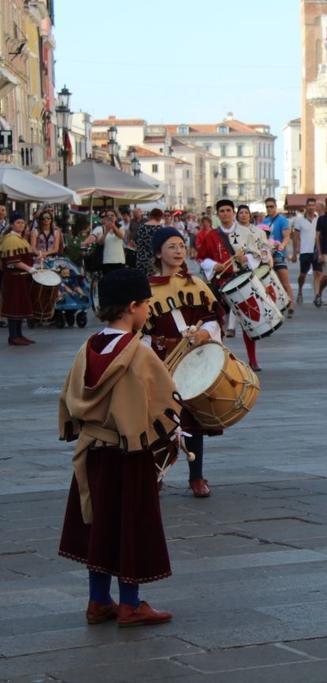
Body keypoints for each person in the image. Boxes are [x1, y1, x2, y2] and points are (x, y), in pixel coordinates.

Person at [57, 267, 177, 627]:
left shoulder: (88, 345)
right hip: (130, 452)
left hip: (92, 451)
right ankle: (130, 603)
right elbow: (163, 403)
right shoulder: (137, 353)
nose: (148, 313)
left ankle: (97, 601)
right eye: (146, 305)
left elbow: (68, 395)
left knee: (99, 523)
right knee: (131, 523)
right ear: (132, 305)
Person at [143, 228, 225, 498]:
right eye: (171, 246)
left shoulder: (196, 284)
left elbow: (213, 317)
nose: (178, 251)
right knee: (157, 420)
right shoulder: (145, 289)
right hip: (161, 361)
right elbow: (140, 330)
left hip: (193, 360)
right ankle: (155, 474)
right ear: (158, 253)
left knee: (193, 420)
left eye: (181, 245)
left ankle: (196, 476)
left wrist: (203, 333)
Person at [195, 199, 266, 370]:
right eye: (222, 211)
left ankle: (253, 359)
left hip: (241, 280)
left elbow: (257, 255)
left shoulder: (244, 232)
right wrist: (213, 265)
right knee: (218, 321)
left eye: (228, 210)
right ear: (217, 214)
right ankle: (218, 358)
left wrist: (246, 259)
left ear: (233, 213)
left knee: (247, 321)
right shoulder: (211, 235)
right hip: (219, 282)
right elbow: (201, 257)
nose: (225, 213)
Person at [1, 215, 36, 345]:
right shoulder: (11, 239)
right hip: (13, 278)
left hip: (21, 278)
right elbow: (13, 261)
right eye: (18, 222)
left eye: (23, 222)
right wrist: (29, 269)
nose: (21, 225)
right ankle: (13, 336)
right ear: (12, 224)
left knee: (20, 306)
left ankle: (19, 334)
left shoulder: (20, 238)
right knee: (14, 306)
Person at [262, 197, 294, 319]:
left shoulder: (282, 220)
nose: (269, 209)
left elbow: (286, 236)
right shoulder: (264, 221)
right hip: (266, 256)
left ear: (276, 206)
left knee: (284, 281)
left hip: (278, 255)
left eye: (271, 206)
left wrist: (282, 246)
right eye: (267, 207)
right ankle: (276, 306)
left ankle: (290, 306)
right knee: (270, 283)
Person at [292, 198, 320, 304]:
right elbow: (295, 237)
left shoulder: (319, 219)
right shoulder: (299, 220)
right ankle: (300, 291)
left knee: (317, 273)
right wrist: (295, 253)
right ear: (306, 207)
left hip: (316, 251)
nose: (311, 207)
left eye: (313, 205)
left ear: (315, 207)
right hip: (304, 251)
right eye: (310, 205)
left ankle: (317, 295)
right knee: (302, 274)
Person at [133, 209, 165, 277]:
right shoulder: (160, 228)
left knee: (142, 281)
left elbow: (136, 241)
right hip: (155, 260)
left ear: (150, 216)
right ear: (160, 217)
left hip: (142, 258)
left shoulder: (142, 227)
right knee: (155, 281)